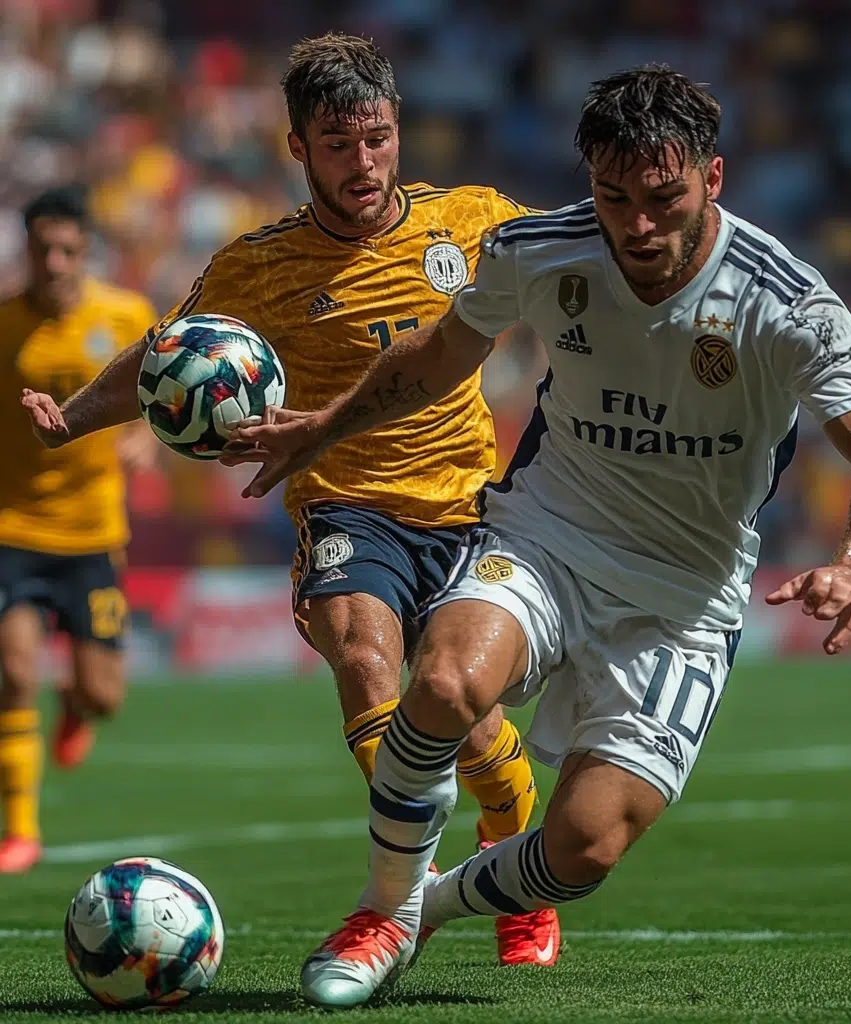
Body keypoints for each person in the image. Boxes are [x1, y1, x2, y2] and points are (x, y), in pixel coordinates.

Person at [226, 64, 851, 1008]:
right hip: (548, 537)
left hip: (683, 600)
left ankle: (429, 909)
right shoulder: (539, 250)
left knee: (584, 846)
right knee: (441, 680)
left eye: (662, 200)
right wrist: (324, 426)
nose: (636, 225)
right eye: (612, 198)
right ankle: (384, 908)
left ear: (712, 181)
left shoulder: (784, 300)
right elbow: (432, 361)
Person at [20, 33, 559, 967]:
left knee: (469, 723)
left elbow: (581, 269)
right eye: (340, 145)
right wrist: (70, 418)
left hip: (473, 508)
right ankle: (402, 900)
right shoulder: (257, 268)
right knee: (362, 656)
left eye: (379, 139)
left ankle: (508, 847)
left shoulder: (472, 221)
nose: (365, 163)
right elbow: (163, 357)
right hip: (348, 508)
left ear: (400, 133)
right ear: (297, 149)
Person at [0, 186, 158, 873]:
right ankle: (21, 830)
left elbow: (163, 394)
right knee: (11, 671)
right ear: (27, 250)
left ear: (86, 250)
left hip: (93, 535)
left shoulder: (126, 314)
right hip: (12, 529)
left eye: (68, 249)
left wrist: (149, 436)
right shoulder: (4, 324)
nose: (56, 262)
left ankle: (75, 704)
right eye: (44, 250)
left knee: (105, 695)